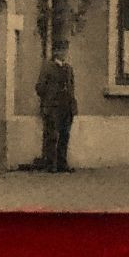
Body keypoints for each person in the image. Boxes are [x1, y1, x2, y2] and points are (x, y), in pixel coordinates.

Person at [35, 41, 77, 173]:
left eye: (65, 50)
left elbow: (71, 88)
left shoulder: (68, 68)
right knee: (52, 135)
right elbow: (40, 87)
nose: (64, 53)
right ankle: (51, 164)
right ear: (55, 52)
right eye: (61, 50)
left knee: (65, 135)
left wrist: (72, 105)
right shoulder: (48, 67)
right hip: (53, 107)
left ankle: (62, 163)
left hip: (66, 107)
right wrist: (49, 99)